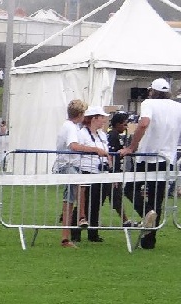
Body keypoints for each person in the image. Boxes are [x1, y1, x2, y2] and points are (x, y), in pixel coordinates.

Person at [119, 77, 181, 249]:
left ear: (151, 91)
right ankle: (149, 241)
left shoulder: (149, 103)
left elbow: (144, 123)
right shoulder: (177, 106)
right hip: (167, 158)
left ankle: (147, 213)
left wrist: (132, 146)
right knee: (157, 198)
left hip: (147, 156)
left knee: (130, 189)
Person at [55, 99, 106, 248]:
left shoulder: (72, 126)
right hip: (67, 165)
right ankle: (81, 217)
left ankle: (68, 234)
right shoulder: (70, 127)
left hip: (70, 164)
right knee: (75, 191)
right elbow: (74, 146)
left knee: (71, 199)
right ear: (80, 114)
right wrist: (96, 150)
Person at [70, 106, 111, 244]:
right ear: (94, 118)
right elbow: (77, 148)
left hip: (101, 172)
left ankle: (93, 233)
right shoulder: (81, 134)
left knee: (97, 203)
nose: (104, 120)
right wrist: (94, 150)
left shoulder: (102, 135)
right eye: (101, 117)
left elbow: (107, 152)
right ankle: (75, 232)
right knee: (84, 202)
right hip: (86, 170)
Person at [105, 112, 138, 227]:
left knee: (116, 197)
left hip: (115, 172)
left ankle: (125, 220)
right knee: (114, 196)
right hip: (112, 172)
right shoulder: (113, 135)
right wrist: (113, 172)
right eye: (124, 124)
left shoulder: (116, 136)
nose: (126, 127)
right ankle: (76, 218)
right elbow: (111, 155)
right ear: (118, 124)